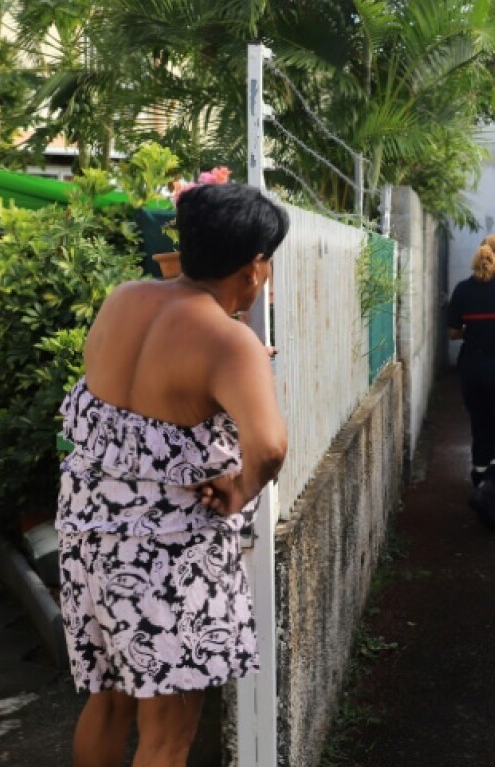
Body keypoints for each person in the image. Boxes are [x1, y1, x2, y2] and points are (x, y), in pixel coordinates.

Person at [56, 182, 289, 767]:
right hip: (166, 556)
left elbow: (132, 412)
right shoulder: (231, 341)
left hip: (89, 536)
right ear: (254, 267)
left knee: (106, 702)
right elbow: (269, 446)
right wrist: (239, 490)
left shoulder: (123, 298)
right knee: (166, 737)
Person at [447, 233, 495, 530]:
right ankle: (489, 488)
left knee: (481, 429)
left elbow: (453, 333)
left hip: (471, 369)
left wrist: (476, 330)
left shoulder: (463, 290)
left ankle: (483, 493)